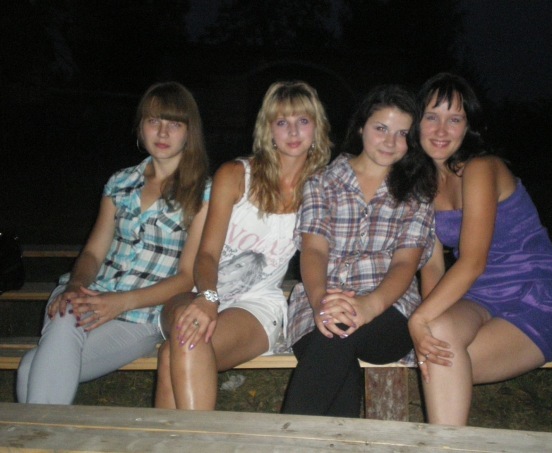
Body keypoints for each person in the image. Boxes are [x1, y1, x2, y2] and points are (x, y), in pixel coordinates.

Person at [17, 82, 211, 404]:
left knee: (30, 369)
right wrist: (76, 285)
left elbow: (187, 276)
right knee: (67, 312)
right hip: (91, 293)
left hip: (141, 313)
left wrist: (120, 303)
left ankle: (42, 431)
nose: (162, 132)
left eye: (174, 124)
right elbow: (93, 252)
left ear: (190, 132)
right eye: (153, 121)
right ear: (140, 127)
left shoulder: (203, 192)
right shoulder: (121, 182)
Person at [154, 80, 332, 410]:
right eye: (282, 122)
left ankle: (181, 437)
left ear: (316, 127)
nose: (293, 131)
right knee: (186, 336)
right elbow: (207, 253)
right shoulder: (236, 175)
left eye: (303, 121)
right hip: (197, 291)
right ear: (269, 129)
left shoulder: (322, 188)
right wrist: (208, 298)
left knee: (178, 349)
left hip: (256, 304)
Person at [408, 73, 552, 426]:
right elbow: (432, 266)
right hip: (478, 297)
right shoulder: (424, 186)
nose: (441, 130)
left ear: (468, 127)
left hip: (532, 294)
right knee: (437, 338)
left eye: (454, 119)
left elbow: (472, 262)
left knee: (439, 357)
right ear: (417, 122)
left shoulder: (482, 168)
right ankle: (448, 445)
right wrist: (427, 320)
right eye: (432, 116)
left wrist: (418, 319)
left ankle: (444, 445)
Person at [281, 85, 435, 417]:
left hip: (389, 309)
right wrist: (321, 300)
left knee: (337, 333)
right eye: (381, 128)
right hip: (320, 301)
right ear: (362, 126)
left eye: (402, 134)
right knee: (335, 340)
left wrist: (368, 305)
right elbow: (314, 250)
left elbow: (405, 264)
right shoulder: (322, 182)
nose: (390, 141)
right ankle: (332, 439)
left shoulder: (416, 195)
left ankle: (290, 437)